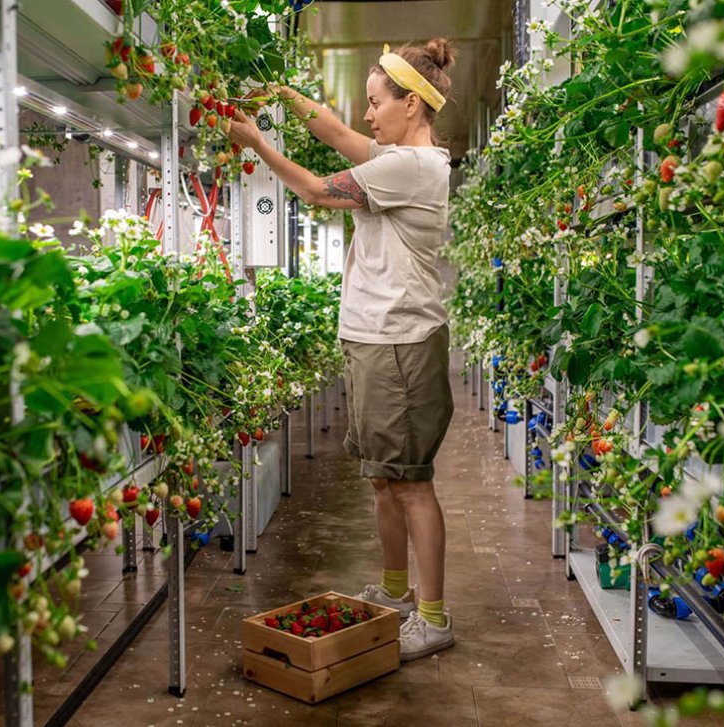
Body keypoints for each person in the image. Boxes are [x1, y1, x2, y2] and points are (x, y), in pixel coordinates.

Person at [225, 38, 457, 661]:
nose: (367, 115)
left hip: (401, 344)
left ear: (412, 105)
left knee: (409, 483)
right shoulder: (396, 157)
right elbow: (334, 134)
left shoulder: (412, 166)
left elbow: (316, 190)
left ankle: (432, 617)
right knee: (384, 480)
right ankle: (395, 593)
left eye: (377, 103)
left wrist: (258, 143)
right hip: (374, 337)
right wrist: (280, 95)